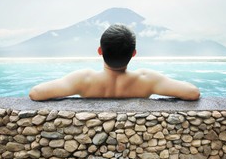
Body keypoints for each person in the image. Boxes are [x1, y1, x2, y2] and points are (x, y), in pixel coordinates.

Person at [29, 24, 200, 101]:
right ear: (133, 54)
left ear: (100, 51)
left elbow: (36, 93)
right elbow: (192, 93)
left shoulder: (83, 79)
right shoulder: (147, 80)